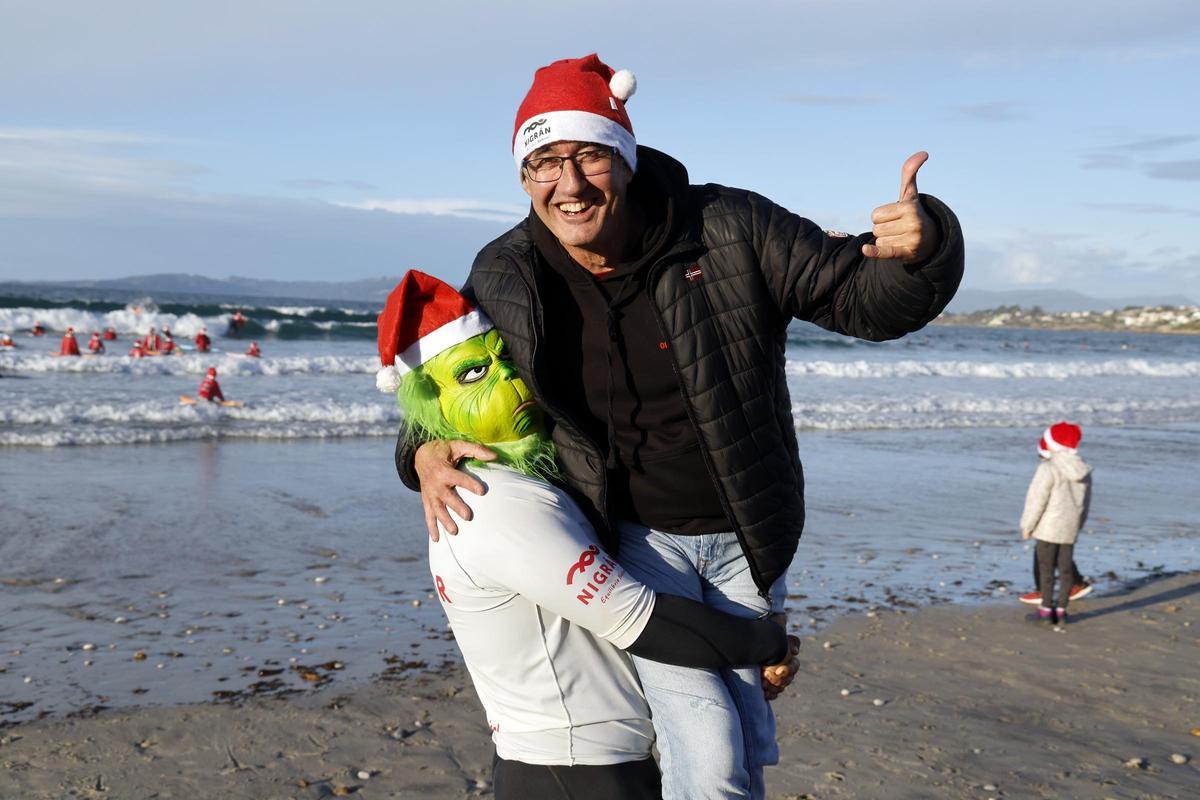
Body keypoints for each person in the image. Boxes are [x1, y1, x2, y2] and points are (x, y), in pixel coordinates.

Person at [397, 54, 964, 800]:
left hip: (748, 533)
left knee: (746, 738)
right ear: (523, 175)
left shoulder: (728, 227)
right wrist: (421, 452)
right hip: (631, 541)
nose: (568, 185)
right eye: (543, 163)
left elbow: (861, 299)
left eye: (588, 155)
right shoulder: (506, 273)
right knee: (706, 746)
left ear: (624, 159)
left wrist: (923, 250)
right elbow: (456, 384)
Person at [377, 271, 800, 799]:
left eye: (509, 361)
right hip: (575, 773)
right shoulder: (492, 503)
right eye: (474, 374)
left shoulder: (537, 479)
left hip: (589, 763)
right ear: (430, 404)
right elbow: (644, 621)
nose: (509, 383)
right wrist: (769, 642)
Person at [1020, 422, 1093, 625]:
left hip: (1048, 528)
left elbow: (1036, 500)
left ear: (1053, 444)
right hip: (1069, 527)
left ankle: (1045, 612)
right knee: (1066, 569)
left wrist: (1027, 525)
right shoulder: (1084, 469)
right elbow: (1084, 504)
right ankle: (1061, 612)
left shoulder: (1048, 468)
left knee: (1046, 569)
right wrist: (1078, 525)